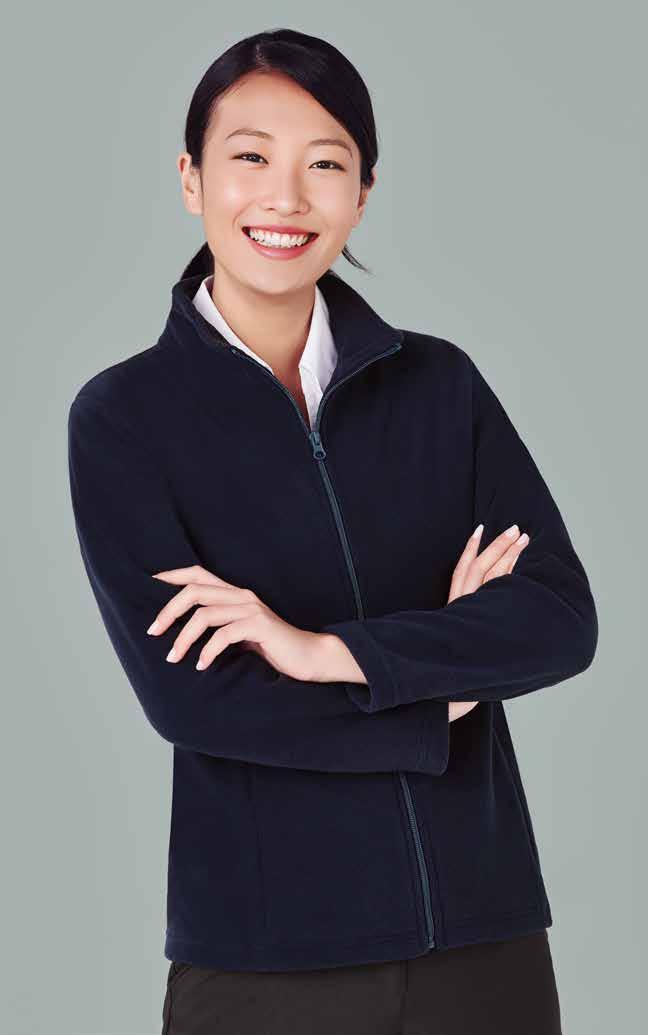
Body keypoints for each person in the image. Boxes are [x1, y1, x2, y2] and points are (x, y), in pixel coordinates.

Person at [67, 27, 598, 1035]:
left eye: (324, 164)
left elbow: (559, 619)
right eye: (250, 157)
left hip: (485, 943)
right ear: (191, 179)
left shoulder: (440, 386)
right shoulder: (125, 419)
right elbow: (199, 699)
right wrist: (439, 696)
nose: (285, 198)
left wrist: (321, 652)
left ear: (363, 192)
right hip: (268, 963)